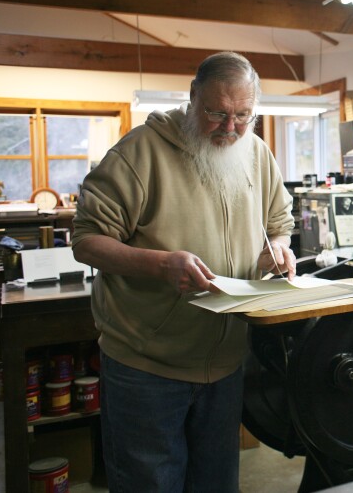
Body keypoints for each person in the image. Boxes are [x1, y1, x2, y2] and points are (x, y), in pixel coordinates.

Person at [72, 51, 296, 492]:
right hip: (148, 368)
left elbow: (279, 223)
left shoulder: (256, 152)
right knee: (149, 483)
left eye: (243, 116)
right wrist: (159, 264)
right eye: (217, 113)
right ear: (193, 97)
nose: (230, 129)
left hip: (226, 363)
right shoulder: (139, 153)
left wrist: (280, 251)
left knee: (215, 484)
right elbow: (86, 240)